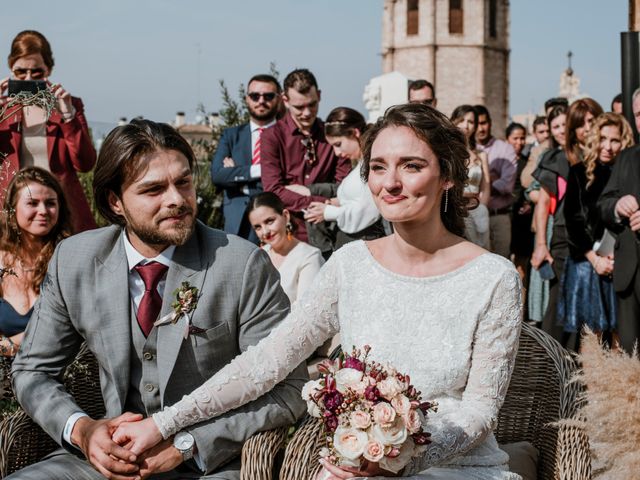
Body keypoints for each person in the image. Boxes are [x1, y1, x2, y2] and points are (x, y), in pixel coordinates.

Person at [112, 104, 524, 480]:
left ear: (448, 175)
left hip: (455, 467)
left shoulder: (493, 277)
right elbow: (267, 362)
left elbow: (480, 411)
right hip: (355, 466)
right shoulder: (349, 265)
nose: (390, 183)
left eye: (411, 166)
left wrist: (397, 462)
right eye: (378, 167)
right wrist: (163, 423)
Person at [8, 119, 307, 479]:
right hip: (101, 461)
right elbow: (31, 369)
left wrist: (189, 444)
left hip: (208, 463)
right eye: (153, 190)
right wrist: (82, 429)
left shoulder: (241, 264)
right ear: (115, 201)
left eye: (183, 182)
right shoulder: (75, 260)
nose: (177, 200)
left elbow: (290, 389)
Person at [0, 30, 96, 233]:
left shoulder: (68, 105)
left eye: (37, 73)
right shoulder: (4, 110)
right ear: (11, 69)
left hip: (59, 212)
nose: (28, 78)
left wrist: (68, 116)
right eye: (20, 72)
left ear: (49, 70)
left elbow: (85, 163)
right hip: (12, 212)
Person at [532, 98, 603, 346]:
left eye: (592, 122)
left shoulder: (606, 156)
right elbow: (543, 203)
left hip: (599, 242)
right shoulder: (558, 158)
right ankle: (553, 371)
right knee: (561, 311)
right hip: (565, 241)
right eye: (580, 124)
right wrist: (541, 244)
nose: (587, 129)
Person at [559, 113, 634, 345]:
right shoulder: (579, 172)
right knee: (592, 342)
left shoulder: (631, 174)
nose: (608, 147)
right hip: (587, 265)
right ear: (594, 139)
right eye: (602, 139)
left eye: (615, 140)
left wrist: (616, 258)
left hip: (623, 264)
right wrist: (596, 260)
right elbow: (572, 223)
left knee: (624, 340)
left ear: (624, 142)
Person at [261, 68, 351, 257]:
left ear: (319, 95)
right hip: (288, 238)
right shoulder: (272, 137)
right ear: (285, 100)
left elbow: (345, 187)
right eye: (299, 107)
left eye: (312, 104)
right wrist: (323, 201)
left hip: (329, 236)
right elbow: (273, 190)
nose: (307, 113)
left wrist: (309, 191)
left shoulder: (333, 135)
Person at [0, 166, 71, 356]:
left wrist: (11, 345)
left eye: (50, 203)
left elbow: (73, 332)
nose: (43, 211)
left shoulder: (70, 259)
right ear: (13, 208)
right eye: (32, 203)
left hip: (64, 376)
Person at [210, 74, 281, 243]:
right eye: (255, 96)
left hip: (277, 222)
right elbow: (218, 175)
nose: (261, 101)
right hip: (237, 222)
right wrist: (261, 169)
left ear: (279, 98)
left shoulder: (287, 136)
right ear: (247, 99)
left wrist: (236, 173)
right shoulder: (231, 135)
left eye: (268, 96)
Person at [304, 107, 384, 249]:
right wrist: (333, 202)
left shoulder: (372, 163)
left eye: (338, 144)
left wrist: (327, 212)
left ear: (355, 133)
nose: (337, 153)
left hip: (365, 242)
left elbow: (369, 210)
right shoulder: (362, 163)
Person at [598, 87, 640, 355]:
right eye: (639, 114)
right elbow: (604, 203)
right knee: (629, 359)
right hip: (628, 275)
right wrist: (616, 206)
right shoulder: (627, 157)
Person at [527, 105, 567, 328]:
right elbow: (541, 200)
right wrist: (541, 243)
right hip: (556, 229)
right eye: (556, 126)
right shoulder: (550, 157)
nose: (561, 130)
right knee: (555, 293)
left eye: (564, 124)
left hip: (582, 235)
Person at [247, 191, 324, 304]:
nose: (265, 231)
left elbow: (307, 311)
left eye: (269, 221)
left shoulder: (309, 257)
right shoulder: (257, 256)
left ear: (285, 216)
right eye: (258, 227)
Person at [474, 105, 517, 258]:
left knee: (501, 264)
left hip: (498, 217)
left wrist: (483, 185)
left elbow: (507, 184)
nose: (480, 128)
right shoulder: (468, 151)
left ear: (490, 123)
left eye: (484, 123)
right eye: (476, 124)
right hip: (472, 218)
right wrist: (491, 179)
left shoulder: (506, 149)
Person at [450, 105, 491, 249]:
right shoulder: (448, 152)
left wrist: (482, 208)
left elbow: (486, 186)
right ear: (454, 121)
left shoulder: (481, 155)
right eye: (462, 120)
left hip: (478, 209)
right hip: (455, 209)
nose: (466, 125)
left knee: (482, 251)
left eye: (471, 122)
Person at [506, 123, 534, 288]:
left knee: (522, 261)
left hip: (522, 217)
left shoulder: (527, 163)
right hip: (506, 214)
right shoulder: (500, 162)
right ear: (507, 139)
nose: (519, 142)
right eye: (515, 138)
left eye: (522, 138)